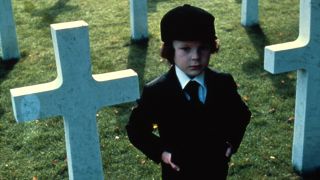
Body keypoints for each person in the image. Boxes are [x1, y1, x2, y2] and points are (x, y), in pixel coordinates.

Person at [126, 4, 251, 180]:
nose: (195, 56)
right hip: (177, 172)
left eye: (203, 47)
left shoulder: (222, 83)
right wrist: (162, 152)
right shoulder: (157, 91)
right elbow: (136, 129)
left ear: (212, 47)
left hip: (215, 170)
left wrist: (231, 142)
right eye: (185, 49)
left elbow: (241, 114)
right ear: (171, 51)